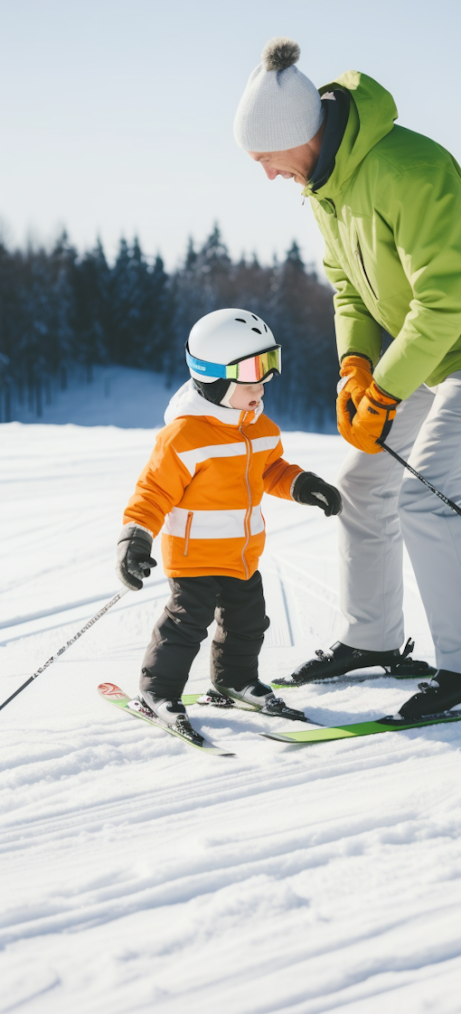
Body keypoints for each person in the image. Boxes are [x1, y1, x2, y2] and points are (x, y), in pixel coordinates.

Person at [233, 38, 461, 718]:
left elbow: (446, 300)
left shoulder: (409, 168)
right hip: (421, 351)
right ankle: (371, 638)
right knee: (362, 484)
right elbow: (348, 287)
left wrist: (387, 388)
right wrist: (356, 365)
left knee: (429, 499)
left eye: (265, 161)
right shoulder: (326, 187)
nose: (267, 176)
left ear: (296, 137)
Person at [116, 307, 342, 731]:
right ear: (214, 376)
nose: (263, 385)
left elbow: (271, 469)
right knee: (186, 627)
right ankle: (157, 691)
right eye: (253, 375)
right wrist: (135, 539)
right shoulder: (183, 437)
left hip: (242, 556)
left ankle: (234, 681)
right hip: (195, 556)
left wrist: (303, 484)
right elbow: (153, 493)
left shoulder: (260, 428)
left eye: (269, 368)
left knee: (249, 623)